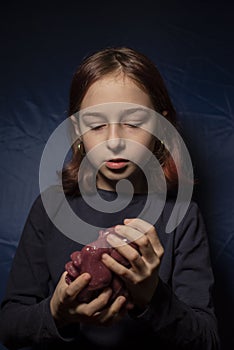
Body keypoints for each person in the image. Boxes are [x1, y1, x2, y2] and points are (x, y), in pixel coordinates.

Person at [0, 46, 220, 350]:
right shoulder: (51, 208)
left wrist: (152, 295)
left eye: (133, 122)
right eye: (97, 124)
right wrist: (57, 313)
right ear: (76, 128)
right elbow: (9, 326)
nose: (115, 141)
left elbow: (208, 340)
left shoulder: (182, 215)